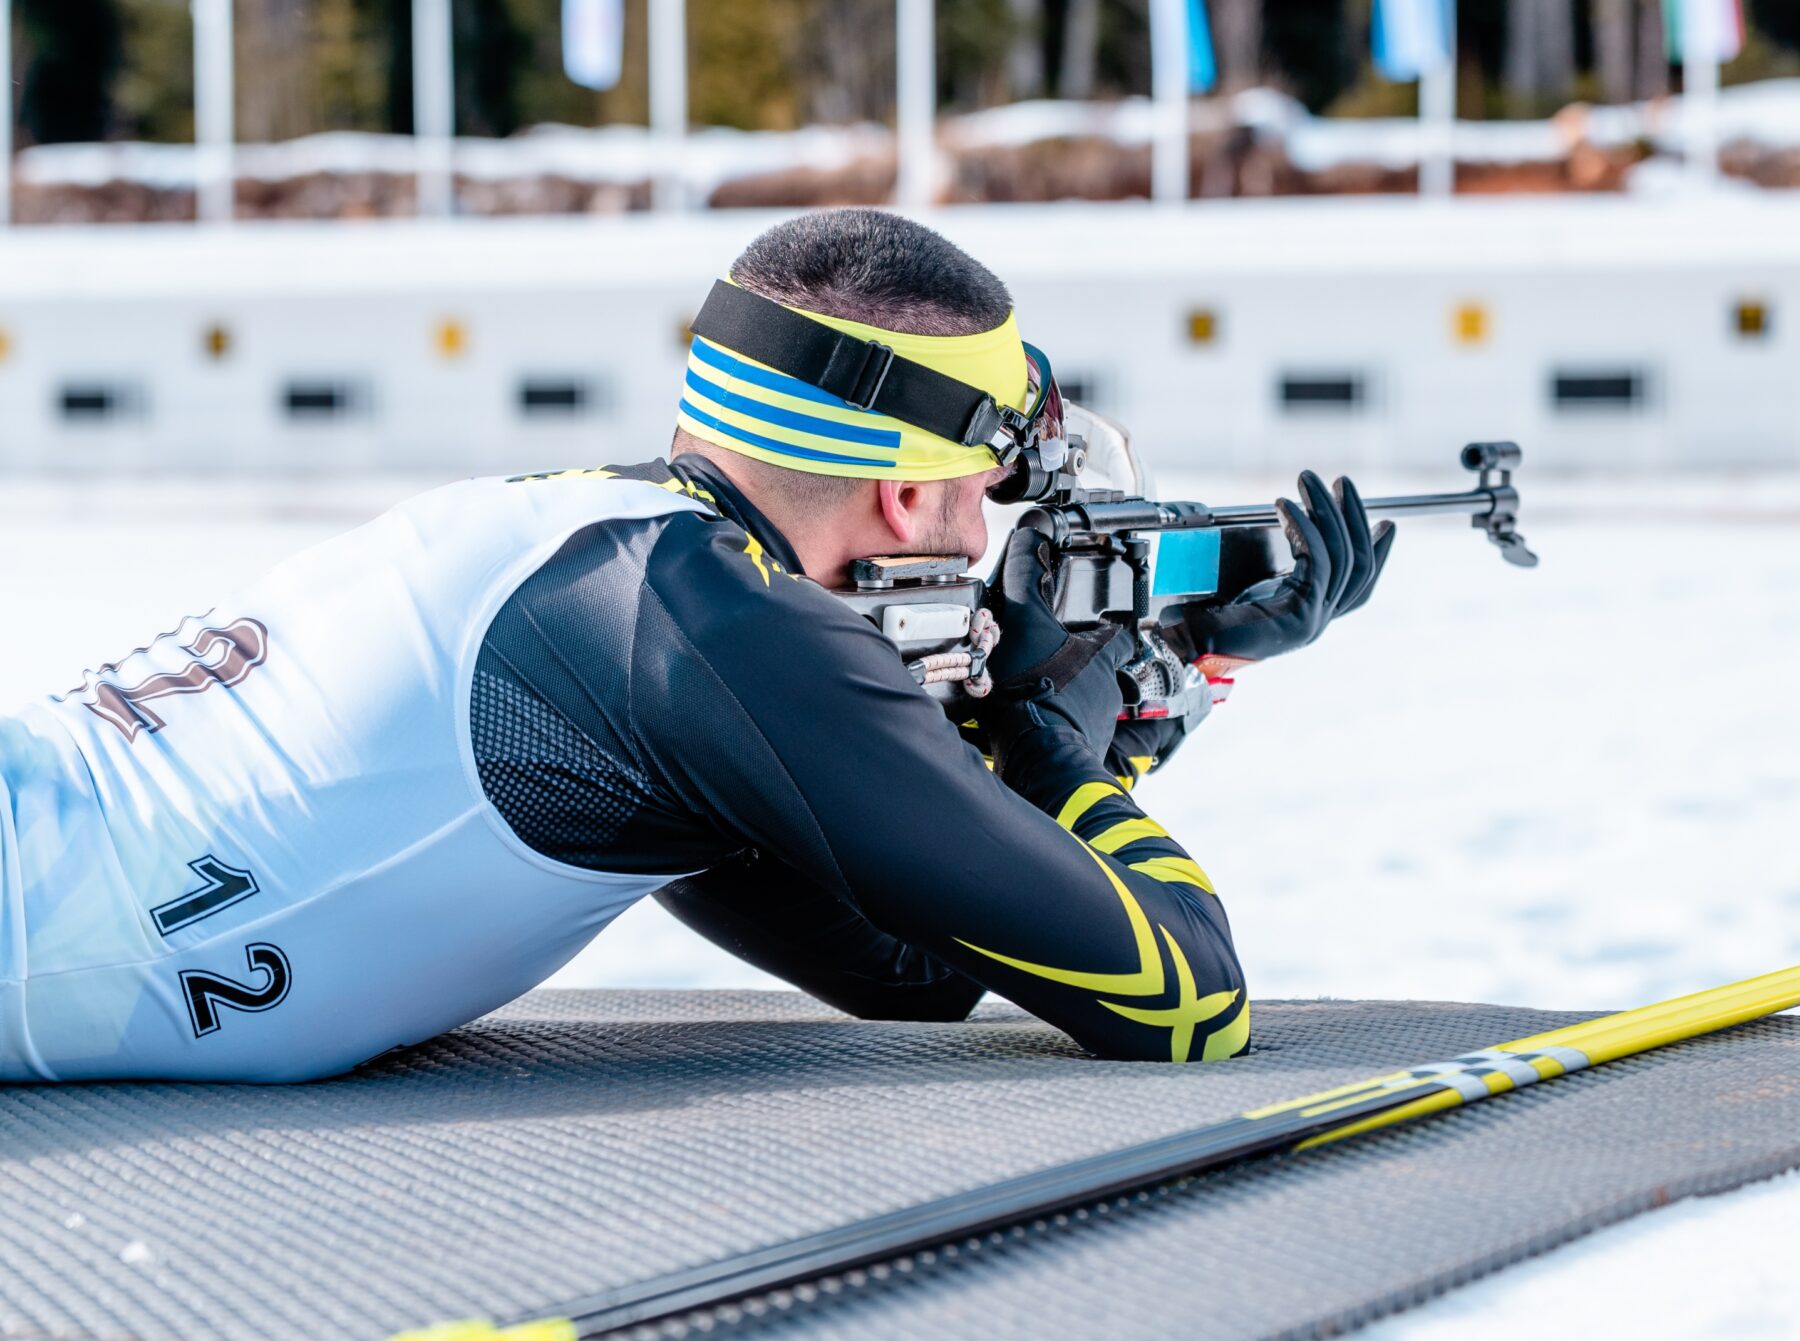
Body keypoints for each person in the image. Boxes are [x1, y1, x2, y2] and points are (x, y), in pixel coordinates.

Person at [0, 209, 1392, 1082]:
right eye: (988, 490)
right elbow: (1183, 1000)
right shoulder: (727, 627)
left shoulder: (616, 563)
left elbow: (910, 964)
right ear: (909, 491)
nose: (983, 535)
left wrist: (1159, 686)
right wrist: (1037, 720)